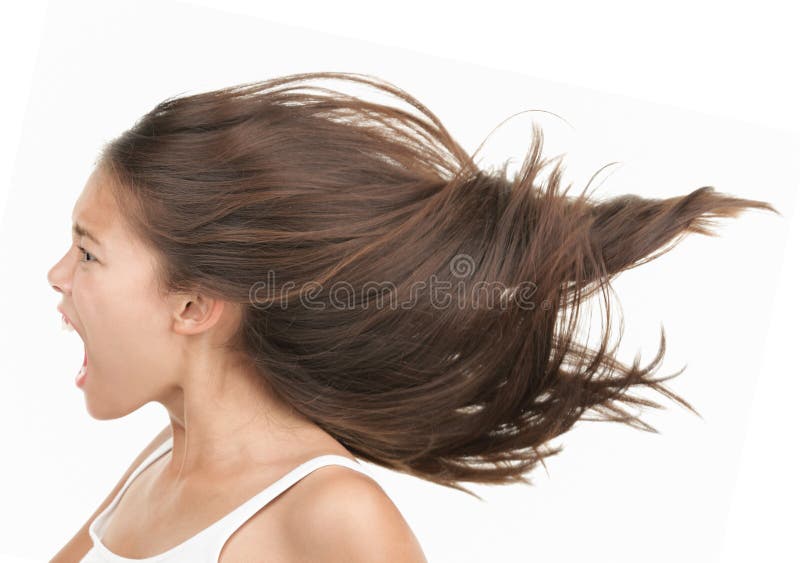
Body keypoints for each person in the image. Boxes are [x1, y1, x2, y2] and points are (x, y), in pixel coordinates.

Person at [47, 71, 780, 562]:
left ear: (195, 303)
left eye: (87, 253)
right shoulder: (160, 462)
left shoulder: (334, 513)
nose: (57, 275)